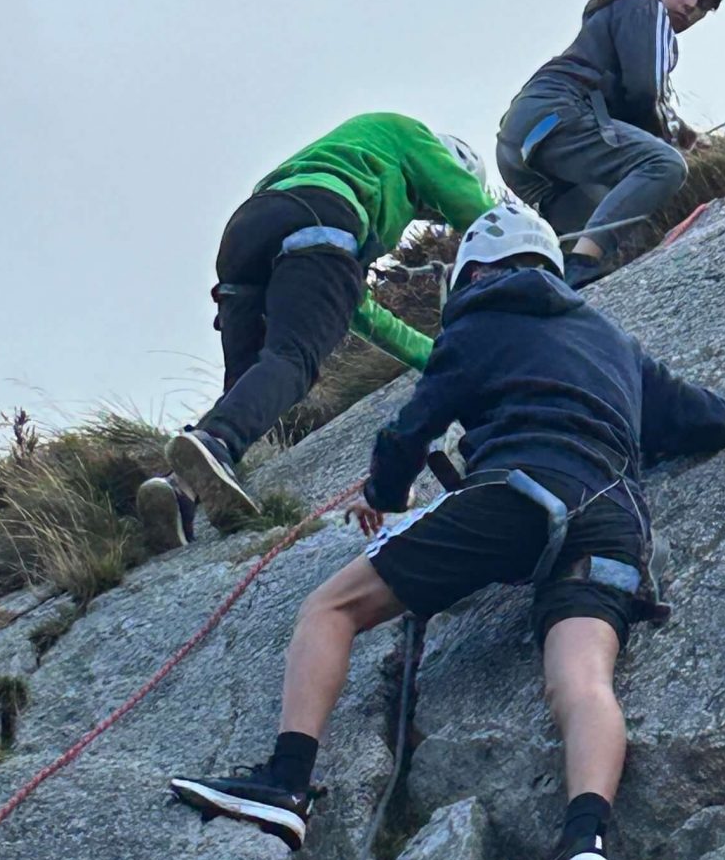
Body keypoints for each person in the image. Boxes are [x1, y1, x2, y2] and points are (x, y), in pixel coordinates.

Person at [167, 203, 725, 860]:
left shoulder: (476, 325)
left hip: (515, 496)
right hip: (613, 518)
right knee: (582, 680)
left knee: (330, 608)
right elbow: (715, 422)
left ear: (471, 273)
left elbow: (409, 433)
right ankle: (585, 839)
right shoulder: (615, 342)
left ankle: (286, 783)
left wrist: (383, 495)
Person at [135, 114, 495, 553]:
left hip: (248, 230)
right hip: (318, 219)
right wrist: (534, 250)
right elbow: (478, 212)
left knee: (249, 384)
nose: (425, 215)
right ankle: (216, 441)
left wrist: (436, 355)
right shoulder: (409, 136)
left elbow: (356, 309)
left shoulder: (349, 158)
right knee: (294, 360)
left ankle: (177, 490)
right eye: (428, 210)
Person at [495, 0, 725, 291]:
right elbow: (646, 91)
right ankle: (581, 263)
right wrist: (673, 140)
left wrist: (680, 131)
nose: (691, 5)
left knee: (600, 218)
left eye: (704, 5)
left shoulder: (615, 15)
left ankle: (560, 281)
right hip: (559, 114)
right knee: (664, 165)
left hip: (520, 145)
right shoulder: (647, 7)